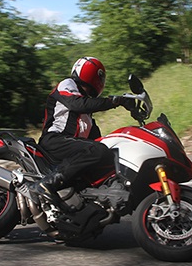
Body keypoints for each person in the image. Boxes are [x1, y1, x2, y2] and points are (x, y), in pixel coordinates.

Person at [30, 57, 132, 207]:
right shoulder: (68, 85)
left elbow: (98, 140)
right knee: (97, 150)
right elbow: (77, 104)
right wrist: (116, 101)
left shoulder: (87, 114)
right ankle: (48, 183)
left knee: (104, 153)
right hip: (55, 140)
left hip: (70, 147)